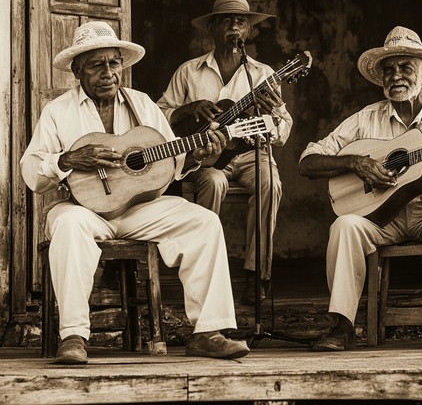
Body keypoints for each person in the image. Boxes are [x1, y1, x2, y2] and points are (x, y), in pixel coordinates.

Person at [21, 21, 250, 364]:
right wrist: (68, 159)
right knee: (67, 225)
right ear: (77, 70)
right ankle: (73, 336)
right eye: (97, 65)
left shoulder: (142, 105)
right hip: (82, 210)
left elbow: (168, 161)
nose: (108, 73)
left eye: (114, 63)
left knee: (203, 222)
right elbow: (31, 173)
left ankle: (208, 332)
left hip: (137, 210)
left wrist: (197, 156)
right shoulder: (58, 111)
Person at [299, 26, 422, 351]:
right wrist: (355, 163)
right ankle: (341, 325)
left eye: (406, 67)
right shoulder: (365, 120)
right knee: (345, 225)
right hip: (383, 219)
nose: (396, 75)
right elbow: (308, 161)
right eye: (389, 69)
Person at [157, 0, 294, 304]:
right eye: (227, 21)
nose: (235, 26)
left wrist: (274, 114)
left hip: (248, 154)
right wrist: (186, 110)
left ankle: (256, 275)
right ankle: (202, 273)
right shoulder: (188, 72)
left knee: (270, 182)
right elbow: (157, 116)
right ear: (213, 29)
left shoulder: (262, 75)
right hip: (203, 160)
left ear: (248, 31)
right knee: (214, 182)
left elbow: (282, 130)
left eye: (241, 22)